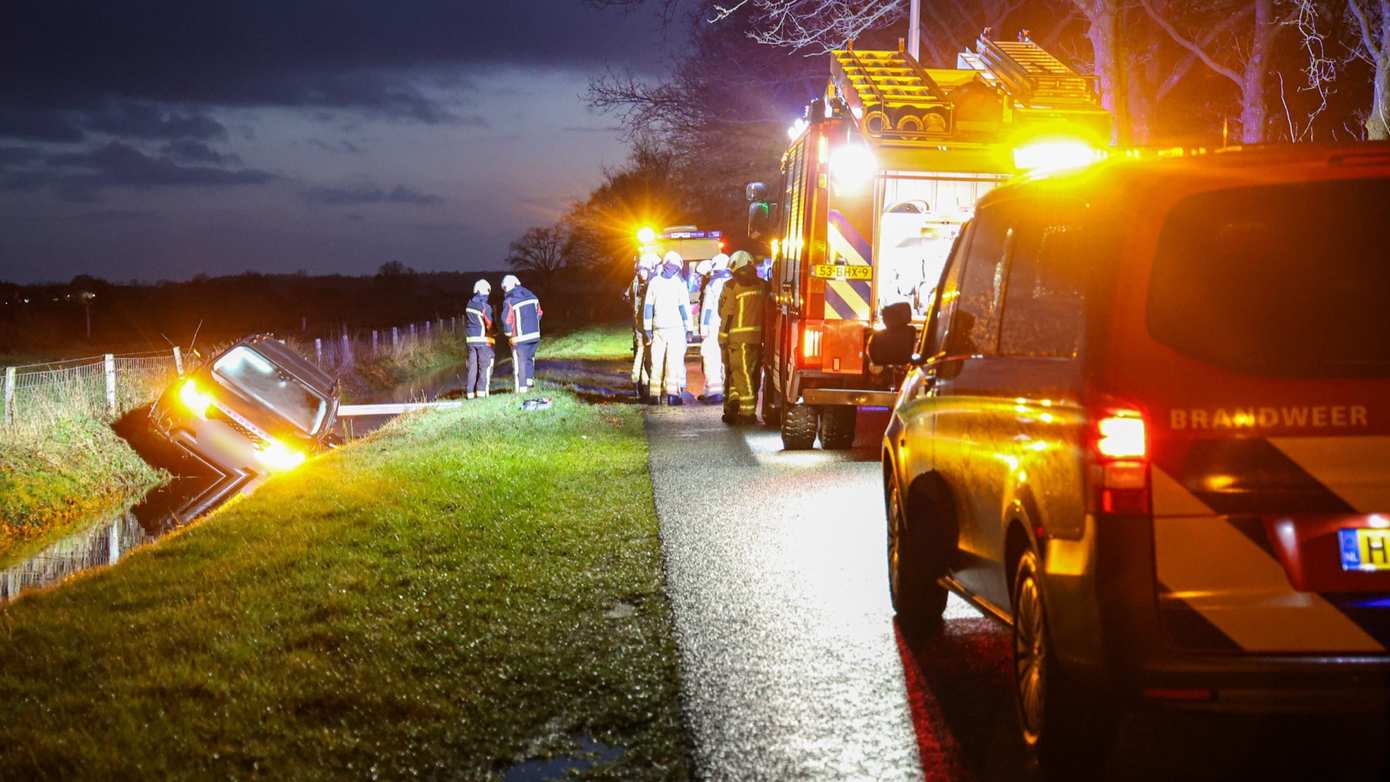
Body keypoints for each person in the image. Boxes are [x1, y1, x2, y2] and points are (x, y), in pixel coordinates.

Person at [718, 250, 765, 424]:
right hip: (757, 338)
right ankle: (734, 403)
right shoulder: (762, 285)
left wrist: (722, 337)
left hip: (736, 338)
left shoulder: (731, 286)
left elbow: (726, 314)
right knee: (750, 373)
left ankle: (747, 412)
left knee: (739, 372)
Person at [643, 251, 691, 406]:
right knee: (673, 362)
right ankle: (672, 395)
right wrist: (689, 328)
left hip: (658, 329)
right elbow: (684, 308)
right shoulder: (679, 283)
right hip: (675, 329)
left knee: (656, 362)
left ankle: (654, 395)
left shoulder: (654, 283)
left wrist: (647, 329)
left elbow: (648, 308)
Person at [625, 253, 659, 401]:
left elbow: (627, 297)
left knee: (640, 353)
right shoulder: (653, 283)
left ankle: (636, 381)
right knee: (650, 356)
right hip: (648, 325)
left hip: (638, 325)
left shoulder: (634, 282)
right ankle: (650, 385)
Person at [697, 254, 731, 403]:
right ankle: (729, 390)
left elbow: (707, 309)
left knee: (711, 357)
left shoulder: (712, 285)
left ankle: (714, 392)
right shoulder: (733, 283)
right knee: (728, 360)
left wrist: (703, 329)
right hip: (730, 327)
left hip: (714, 327)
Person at [501, 274, 543, 393]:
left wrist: (509, 334)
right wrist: (533, 325)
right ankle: (530, 382)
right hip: (535, 335)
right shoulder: (533, 297)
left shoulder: (509, 301)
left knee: (521, 362)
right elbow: (539, 313)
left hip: (520, 337)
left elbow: (506, 320)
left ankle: (522, 389)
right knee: (530, 358)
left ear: (506, 287)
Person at [464, 279, 494, 398]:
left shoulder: (469, 304)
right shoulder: (485, 307)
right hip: (483, 341)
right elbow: (490, 325)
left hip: (471, 341)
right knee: (485, 365)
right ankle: (481, 393)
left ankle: (470, 393)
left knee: (472, 367)